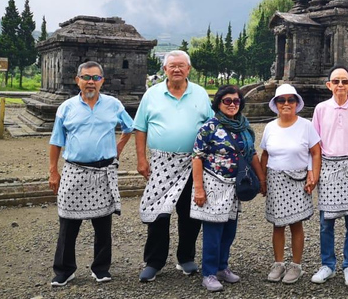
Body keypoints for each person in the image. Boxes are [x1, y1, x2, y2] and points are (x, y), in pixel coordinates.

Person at [48, 61, 134, 286]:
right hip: (74, 170)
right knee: (68, 223)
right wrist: (53, 172)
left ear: (102, 81)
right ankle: (65, 270)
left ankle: (101, 268)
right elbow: (56, 141)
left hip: (104, 171)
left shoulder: (113, 105)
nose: (91, 82)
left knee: (103, 224)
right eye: (86, 77)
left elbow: (129, 127)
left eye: (96, 78)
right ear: (78, 80)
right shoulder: (66, 108)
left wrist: (118, 148)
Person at [134, 50, 214, 282]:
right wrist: (141, 159)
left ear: (189, 69)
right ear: (165, 69)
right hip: (161, 162)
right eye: (172, 66)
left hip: (194, 162)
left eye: (181, 65)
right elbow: (140, 128)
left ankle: (185, 257)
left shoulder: (199, 93)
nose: (177, 69)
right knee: (158, 212)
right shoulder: (152, 94)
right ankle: (154, 261)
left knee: (190, 213)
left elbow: (210, 127)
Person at [190, 85, 266, 292]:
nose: (232, 104)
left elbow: (251, 154)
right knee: (213, 231)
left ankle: (223, 266)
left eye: (236, 101)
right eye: (227, 101)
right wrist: (199, 189)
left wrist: (262, 179)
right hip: (213, 183)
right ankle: (209, 273)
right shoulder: (209, 127)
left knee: (229, 230)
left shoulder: (243, 126)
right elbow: (197, 158)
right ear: (218, 103)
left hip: (235, 186)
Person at [310, 65, 348, 288]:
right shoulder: (320, 109)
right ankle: (328, 263)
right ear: (329, 85)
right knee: (326, 222)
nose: (340, 86)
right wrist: (312, 171)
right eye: (336, 81)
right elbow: (314, 144)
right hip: (328, 166)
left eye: (344, 81)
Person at [260, 84, 321, 284]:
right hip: (275, 179)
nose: (286, 104)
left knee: (296, 223)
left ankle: (296, 265)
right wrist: (262, 180)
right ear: (276, 104)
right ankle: (278, 263)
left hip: (298, 179)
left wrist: (314, 175)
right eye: (281, 100)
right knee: (278, 224)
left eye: (290, 100)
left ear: (296, 103)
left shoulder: (306, 125)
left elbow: (315, 151)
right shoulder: (270, 127)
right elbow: (265, 154)